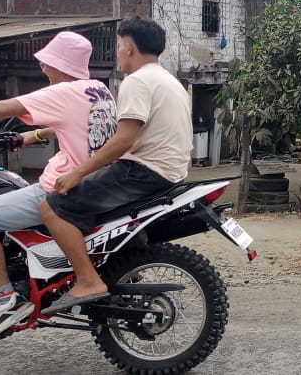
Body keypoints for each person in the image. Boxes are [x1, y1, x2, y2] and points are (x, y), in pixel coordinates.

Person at [39, 17, 192, 315]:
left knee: (51, 207)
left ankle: (87, 280)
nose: (118, 53)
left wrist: (77, 173)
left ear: (129, 48)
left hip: (143, 172)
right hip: (170, 173)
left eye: (119, 46)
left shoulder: (136, 81)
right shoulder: (169, 80)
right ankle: (124, 271)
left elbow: (122, 141)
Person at [0, 31, 117, 341]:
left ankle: (4, 299)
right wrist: (37, 134)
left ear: (59, 64)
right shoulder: (97, 88)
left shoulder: (62, 91)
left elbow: (0, 109)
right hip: (98, 183)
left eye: (46, 62)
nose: (42, 68)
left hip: (62, 188)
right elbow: (81, 124)